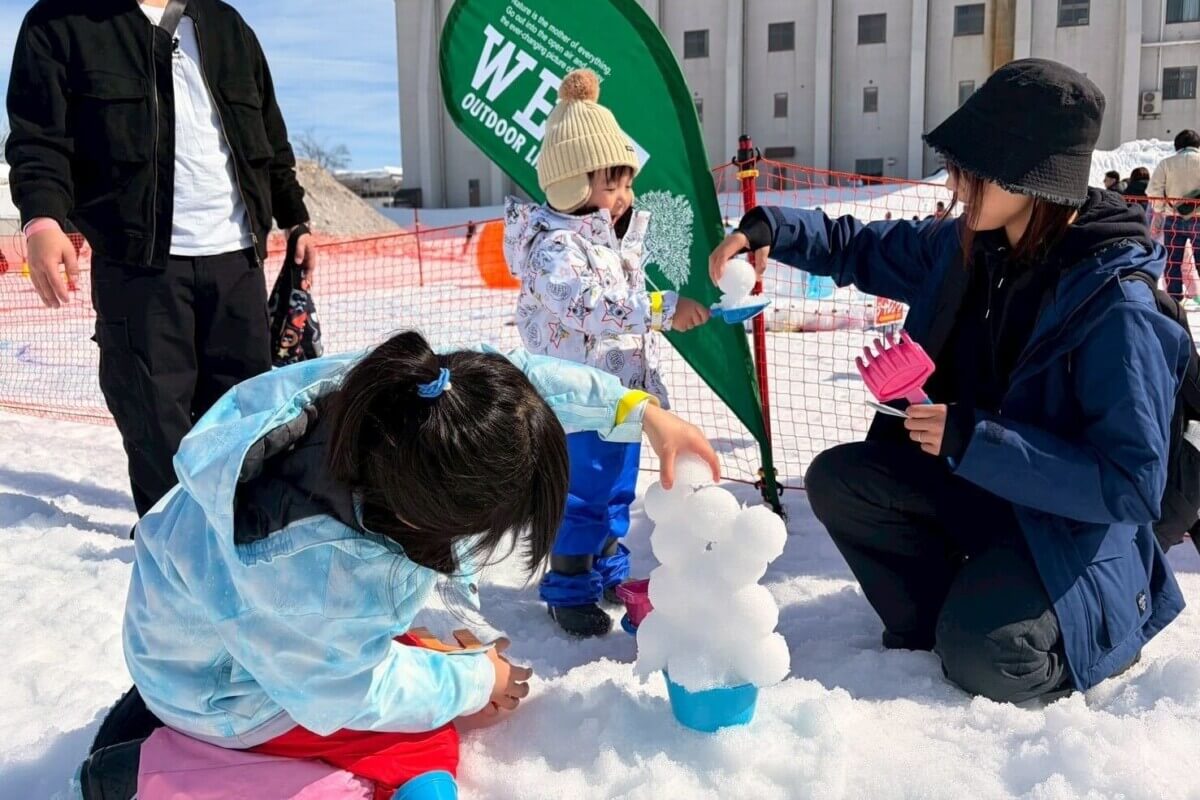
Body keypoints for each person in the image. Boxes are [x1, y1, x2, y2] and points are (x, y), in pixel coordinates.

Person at [709, 59, 1188, 703]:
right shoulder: (967, 246)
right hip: (981, 491)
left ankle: (1071, 636)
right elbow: (860, 246)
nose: (959, 184)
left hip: (1068, 531)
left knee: (991, 657)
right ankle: (944, 622)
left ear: (1033, 178)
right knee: (842, 481)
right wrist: (773, 227)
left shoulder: (1115, 304)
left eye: (976, 168)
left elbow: (1132, 486)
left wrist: (974, 438)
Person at [117, 330, 719, 799]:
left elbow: (515, 386)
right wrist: (476, 681)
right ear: (424, 518)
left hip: (242, 631)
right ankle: (150, 774)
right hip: (216, 689)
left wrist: (637, 411)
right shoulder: (309, 568)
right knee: (419, 742)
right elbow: (344, 692)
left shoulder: (411, 397)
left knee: (433, 677)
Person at [6, 0, 316, 517]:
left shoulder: (228, 27)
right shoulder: (61, 23)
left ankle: (245, 534)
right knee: (154, 419)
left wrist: (296, 218)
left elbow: (270, 139)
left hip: (236, 259)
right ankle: (176, 549)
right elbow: (38, 138)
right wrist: (43, 218)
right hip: (139, 263)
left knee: (246, 414)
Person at [504, 69, 711, 636]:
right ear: (572, 185)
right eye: (612, 185)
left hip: (619, 395)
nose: (626, 197)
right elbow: (591, 307)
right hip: (577, 403)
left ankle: (607, 567)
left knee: (617, 490)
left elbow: (621, 328)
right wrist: (663, 307)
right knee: (581, 495)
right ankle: (569, 585)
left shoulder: (609, 241)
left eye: (626, 183)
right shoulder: (553, 250)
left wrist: (650, 388)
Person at [1149, 129, 1200, 300]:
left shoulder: (1166, 163)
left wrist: (1160, 210)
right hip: (1199, 219)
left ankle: (1174, 300)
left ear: (1177, 145)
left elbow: (1154, 190)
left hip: (1173, 217)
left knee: (1173, 261)